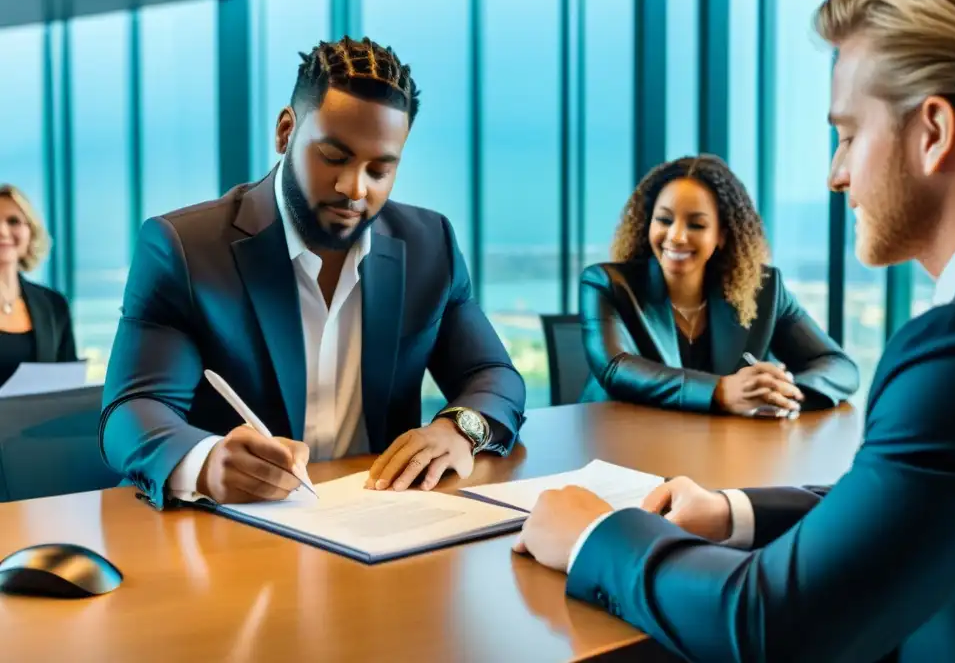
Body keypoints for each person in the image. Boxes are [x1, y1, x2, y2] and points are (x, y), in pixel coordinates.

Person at [514, 0, 955, 662]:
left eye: (848, 135)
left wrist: (593, 539)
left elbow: (771, 625)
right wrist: (733, 511)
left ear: (933, 132)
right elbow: (909, 504)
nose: (836, 174)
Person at [100, 36, 526, 509]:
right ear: (286, 131)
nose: (353, 188)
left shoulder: (430, 246)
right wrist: (204, 463)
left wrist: (459, 429)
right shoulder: (184, 249)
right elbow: (129, 411)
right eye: (333, 157)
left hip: (379, 523)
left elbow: (493, 374)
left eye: (379, 170)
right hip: (229, 534)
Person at [579, 155, 858, 417]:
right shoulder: (606, 283)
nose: (676, 236)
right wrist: (721, 391)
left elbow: (840, 367)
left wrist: (777, 395)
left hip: (717, 450)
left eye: (696, 225)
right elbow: (616, 368)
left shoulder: (764, 291)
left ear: (721, 235)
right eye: (664, 220)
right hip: (617, 445)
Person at [0, 184, 77, 387]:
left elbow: (68, 389)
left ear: (31, 232)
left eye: (13, 221)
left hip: (43, 420)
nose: (2, 230)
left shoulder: (53, 305)